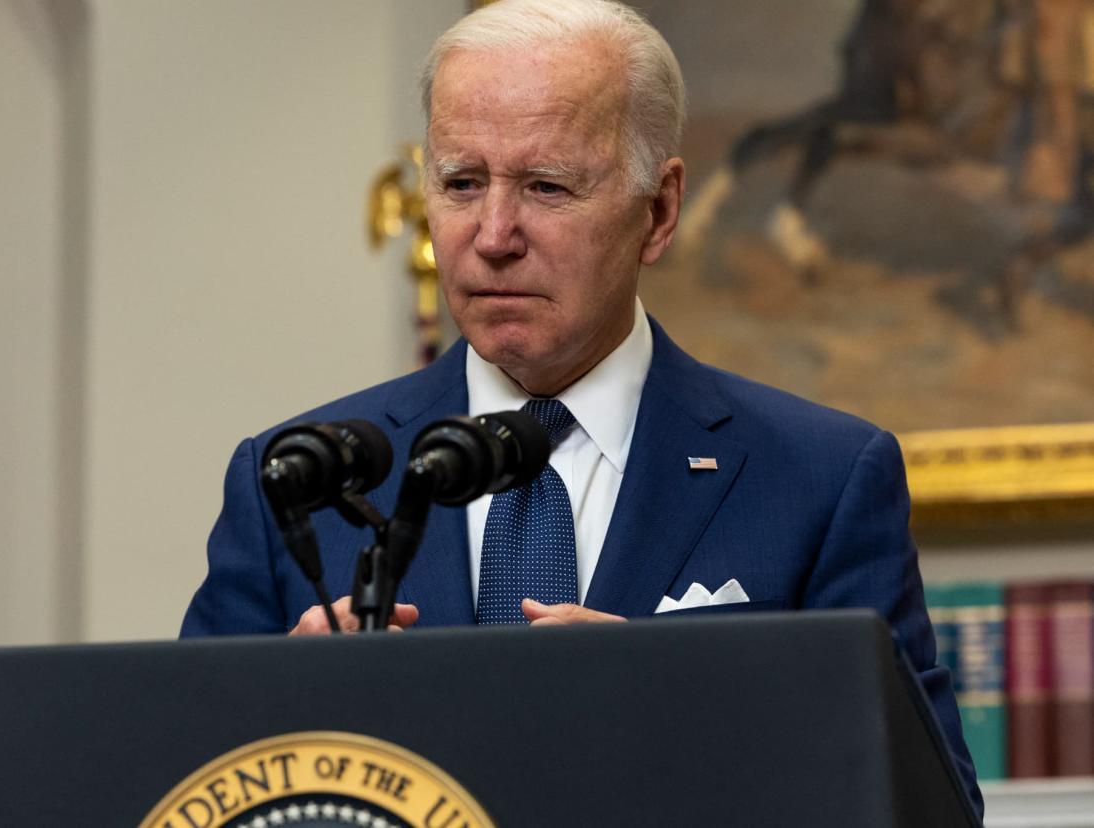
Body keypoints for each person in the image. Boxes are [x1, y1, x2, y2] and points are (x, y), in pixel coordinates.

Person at [180, 0, 981, 815]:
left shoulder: (819, 478)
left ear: (659, 212)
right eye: (462, 183)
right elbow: (172, 787)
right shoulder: (296, 481)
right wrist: (274, 710)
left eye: (546, 186)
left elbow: (933, 809)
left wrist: (688, 720)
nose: (493, 234)